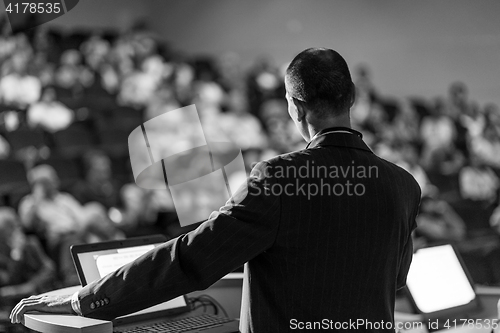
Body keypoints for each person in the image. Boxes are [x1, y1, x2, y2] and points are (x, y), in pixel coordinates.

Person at [10, 48, 421, 333]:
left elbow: (190, 258)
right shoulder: (403, 185)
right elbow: (395, 277)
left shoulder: (279, 178)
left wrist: (86, 299)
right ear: (351, 96)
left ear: (295, 108)